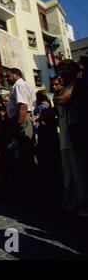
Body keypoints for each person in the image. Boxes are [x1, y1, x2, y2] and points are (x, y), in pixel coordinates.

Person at [54, 60, 88, 217]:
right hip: (69, 132)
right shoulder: (67, 86)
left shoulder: (77, 84)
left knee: (80, 173)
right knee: (71, 173)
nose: (59, 76)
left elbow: (61, 100)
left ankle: (83, 210)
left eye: (62, 71)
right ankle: (72, 206)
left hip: (78, 131)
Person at [5, 68, 37, 201]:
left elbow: (23, 106)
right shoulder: (18, 86)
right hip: (19, 120)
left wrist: (18, 125)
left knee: (25, 155)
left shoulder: (19, 84)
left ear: (16, 74)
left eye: (9, 76)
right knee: (22, 156)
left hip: (21, 120)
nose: (7, 78)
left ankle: (29, 192)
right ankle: (27, 189)